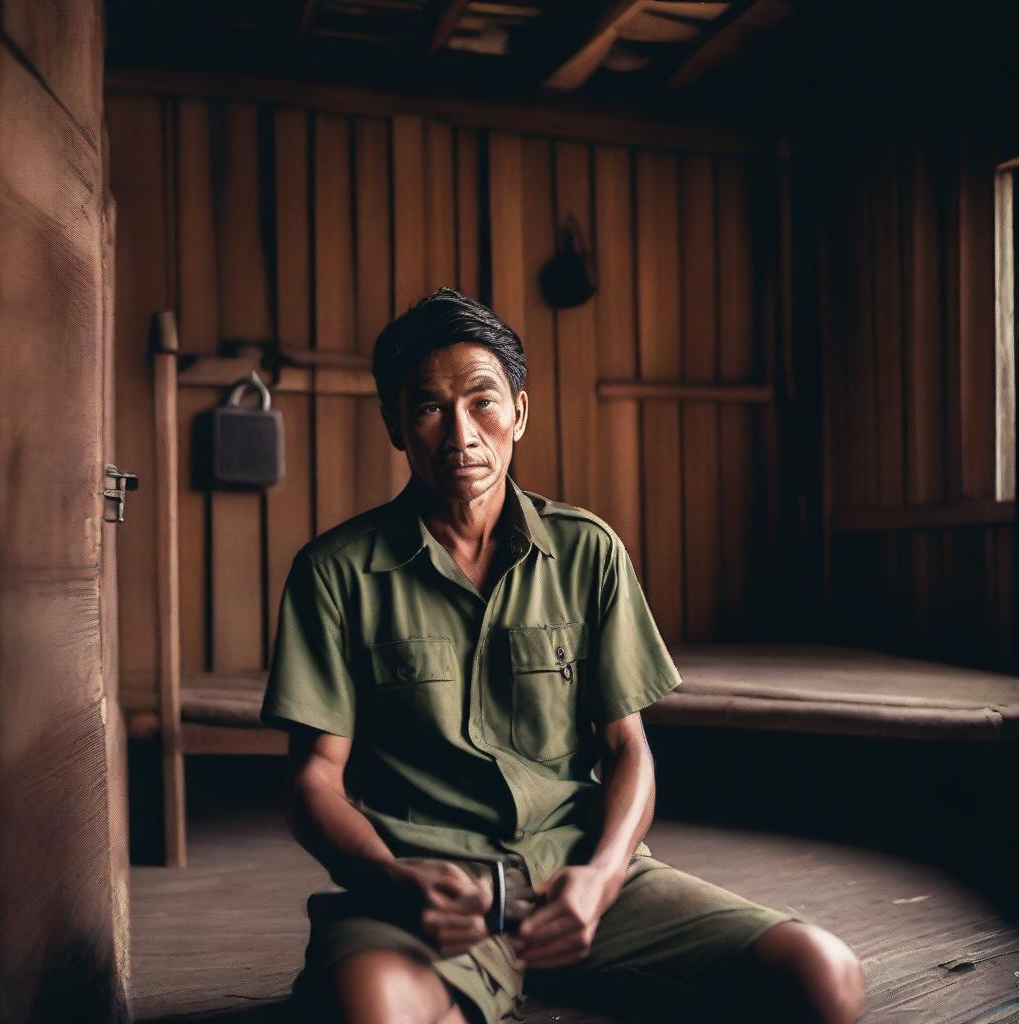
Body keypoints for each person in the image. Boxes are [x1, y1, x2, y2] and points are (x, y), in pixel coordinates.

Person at [261, 287, 865, 1024]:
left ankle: (559, 961)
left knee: (823, 977)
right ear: (394, 424)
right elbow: (314, 781)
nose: (461, 435)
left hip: (577, 873)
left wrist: (603, 878)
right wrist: (390, 879)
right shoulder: (336, 572)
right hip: (430, 894)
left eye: (482, 402)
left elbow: (628, 749)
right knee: (375, 1010)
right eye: (427, 409)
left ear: (519, 410)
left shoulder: (587, 551)